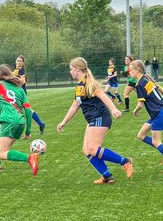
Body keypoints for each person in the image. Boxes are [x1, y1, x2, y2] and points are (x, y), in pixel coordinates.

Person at [56, 57, 131, 185]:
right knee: (86, 150)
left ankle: (125, 161)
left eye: (71, 69)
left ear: (77, 69)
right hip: (92, 118)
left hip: (100, 117)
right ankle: (106, 176)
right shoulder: (80, 86)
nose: (70, 72)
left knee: (92, 148)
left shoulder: (88, 83)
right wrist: (64, 122)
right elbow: (75, 105)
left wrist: (113, 109)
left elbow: (102, 95)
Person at [129, 60, 163, 174]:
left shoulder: (140, 84)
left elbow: (140, 104)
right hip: (157, 113)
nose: (129, 71)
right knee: (141, 135)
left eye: (131, 69)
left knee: (156, 141)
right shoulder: (146, 78)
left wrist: (135, 111)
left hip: (157, 114)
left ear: (138, 69)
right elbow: (161, 89)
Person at [13, 56, 45, 133]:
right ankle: (40, 124)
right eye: (17, 60)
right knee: (26, 110)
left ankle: (16, 128)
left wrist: (14, 80)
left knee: (18, 109)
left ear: (23, 63)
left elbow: (22, 81)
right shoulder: (15, 71)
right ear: (15, 61)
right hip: (17, 93)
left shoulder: (21, 70)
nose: (19, 62)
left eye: (20, 61)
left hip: (20, 93)